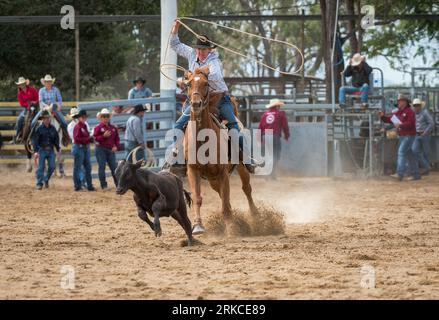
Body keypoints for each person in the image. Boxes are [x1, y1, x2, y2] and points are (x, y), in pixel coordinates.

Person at [169, 20, 258, 173]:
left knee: (234, 128)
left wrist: (200, 72)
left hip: (219, 99)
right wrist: (175, 28)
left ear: (209, 50)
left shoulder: (214, 60)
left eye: (203, 49)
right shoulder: (191, 54)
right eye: (198, 49)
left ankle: (247, 159)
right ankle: (177, 157)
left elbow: (216, 75)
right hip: (199, 99)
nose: (200, 52)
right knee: (177, 126)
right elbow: (175, 44)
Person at [379, 94, 420, 181]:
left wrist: (401, 124)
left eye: (400, 101)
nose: (398, 102)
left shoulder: (409, 111)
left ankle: (400, 173)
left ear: (404, 102)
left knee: (401, 152)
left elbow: (411, 123)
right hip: (404, 135)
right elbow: (390, 120)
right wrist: (382, 117)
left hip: (409, 135)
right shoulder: (398, 112)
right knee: (410, 155)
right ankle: (416, 175)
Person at [258, 99, 290, 179]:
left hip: (265, 136)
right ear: (277, 106)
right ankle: (270, 174)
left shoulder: (264, 115)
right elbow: (285, 126)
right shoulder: (280, 114)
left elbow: (260, 128)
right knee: (276, 156)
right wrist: (286, 135)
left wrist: (259, 140)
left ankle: (268, 173)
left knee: (268, 155)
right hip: (274, 136)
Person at [93, 108, 120, 190]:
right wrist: (103, 136)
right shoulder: (97, 128)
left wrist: (116, 146)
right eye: (104, 116)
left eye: (107, 116)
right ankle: (103, 185)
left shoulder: (113, 128)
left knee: (114, 168)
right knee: (102, 167)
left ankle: (118, 185)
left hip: (110, 150)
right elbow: (95, 138)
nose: (105, 118)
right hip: (100, 149)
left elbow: (117, 139)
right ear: (101, 117)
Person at [32, 110, 60, 190]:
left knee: (52, 166)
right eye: (45, 118)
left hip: (50, 150)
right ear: (43, 119)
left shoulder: (53, 129)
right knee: (41, 167)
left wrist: (58, 149)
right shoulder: (39, 129)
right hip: (42, 150)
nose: (47, 120)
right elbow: (35, 141)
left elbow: (56, 140)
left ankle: (46, 179)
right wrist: (36, 151)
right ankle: (39, 183)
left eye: (48, 118)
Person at [72, 110, 95, 192]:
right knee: (78, 167)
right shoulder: (77, 127)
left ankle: (89, 185)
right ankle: (77, 185)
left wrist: (89, 139)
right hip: (79, 147)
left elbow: (82, 138)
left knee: (87, 168)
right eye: (82, 117)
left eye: (85, 117)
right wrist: (88, 139)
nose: (84, 118)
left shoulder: (84, 126)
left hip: (84, 148)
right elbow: (76, 138)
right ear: (79, 118)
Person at [411, 98, 434, 175]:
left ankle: (426, 171)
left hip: (425, 135)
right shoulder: (413, 114)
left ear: (420, 106)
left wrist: (425, 132)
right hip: (417, 135)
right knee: (414, 151)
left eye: (417, 105)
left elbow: (431, 123)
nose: (416, 107)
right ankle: (427, 167)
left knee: (426, 153)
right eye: (415, 105)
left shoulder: (425, 113)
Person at [15, 77, 39, 142]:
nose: (21, 85)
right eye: (20, 84)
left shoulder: (32, 90)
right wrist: (28, 105)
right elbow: (21, 103)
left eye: (23, 83)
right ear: (19, 85)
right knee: (19, 119)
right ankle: (18, 134)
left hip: (35, 107)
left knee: (37, 119)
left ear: (25, 83)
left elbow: (37, 97)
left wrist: (34, 102)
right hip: (27, 108)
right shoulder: (20, 94)